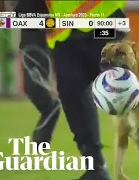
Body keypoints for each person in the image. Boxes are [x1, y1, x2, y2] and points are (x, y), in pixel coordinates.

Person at [43, 1, 127, 179]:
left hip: (102, 20)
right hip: (64, 33)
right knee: (72, 96)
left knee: (120, 91)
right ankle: (96, 168)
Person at [0, 0, 60, 145]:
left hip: (48, 26)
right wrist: (1, 16)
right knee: (31, 87)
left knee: (35, 86)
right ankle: (50, 109)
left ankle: (50, 113)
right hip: (28, 27)